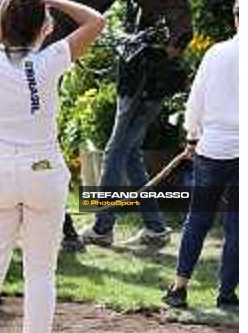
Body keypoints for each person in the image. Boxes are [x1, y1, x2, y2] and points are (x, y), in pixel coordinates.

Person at [0, 0, 105, 333]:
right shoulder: (50, 60)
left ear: (3, 25)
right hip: (44, 172)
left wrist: (29, 10)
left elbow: (10, 46)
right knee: (41, 272)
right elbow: (97, 20)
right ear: (44, 26)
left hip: (1, 172)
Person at [79, 25, 188, 250]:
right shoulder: (167, 4)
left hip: (140, 85)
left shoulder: (159, 2)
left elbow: (176, 42)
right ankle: (155, 228)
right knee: (130, 156)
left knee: (114, 154)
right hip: (151, 85)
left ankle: (102, 228)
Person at [163, 0, 239, 310]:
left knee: (198, 219)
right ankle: (226, 293)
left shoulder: (217, 53)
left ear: (237, 18)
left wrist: (192, 136)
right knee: (240, 224)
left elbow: (196, 99)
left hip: (212, 149)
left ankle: (179, 288)